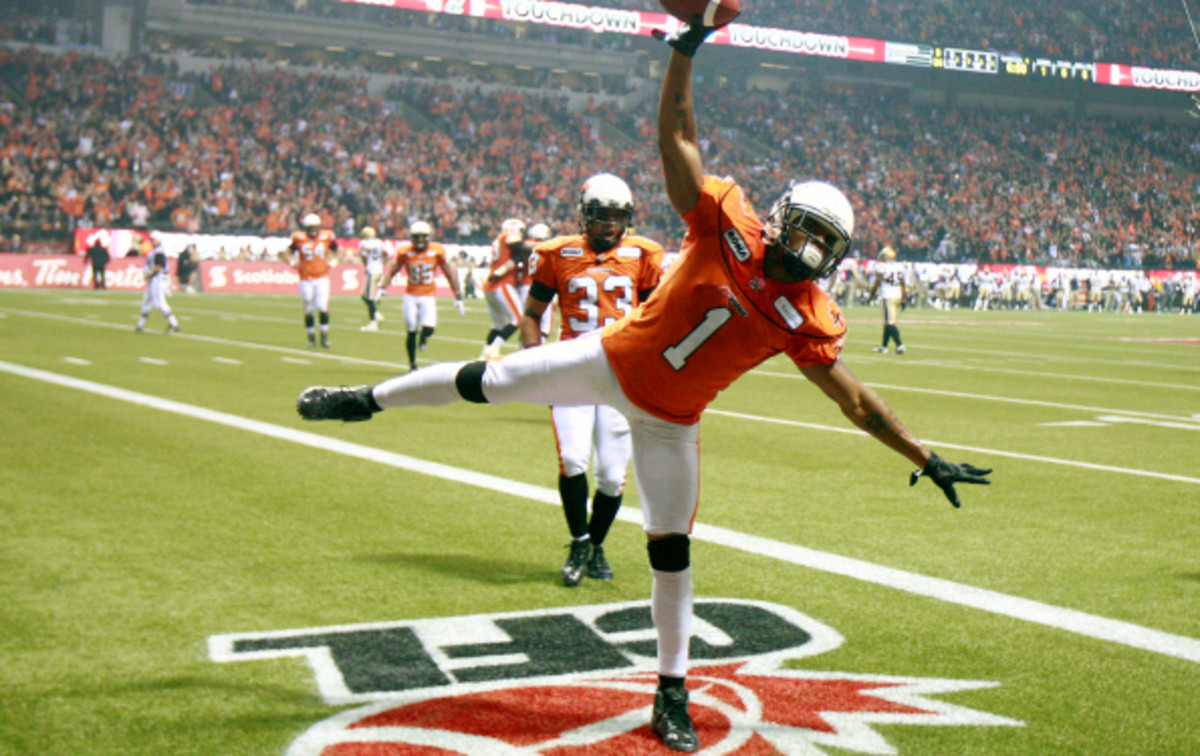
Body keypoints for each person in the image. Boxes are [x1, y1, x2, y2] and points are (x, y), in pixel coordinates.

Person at [295, 19, 991, 754]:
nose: (809, 249)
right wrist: (685, 48)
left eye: (824, 243)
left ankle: (671, 692)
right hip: (603, 358)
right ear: (782, 217)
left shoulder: (806, 315)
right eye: (805, 230)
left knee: (671, 551)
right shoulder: (727, 222)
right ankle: (365, 400)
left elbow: (856, 401)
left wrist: (921, 454)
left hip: (669, 421)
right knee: (484, 378)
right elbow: (678, 139)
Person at [520, 175, 665, 587]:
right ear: (585, 214)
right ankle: (579, 540)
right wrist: (534, 361)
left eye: (618, 217)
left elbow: (661, 318)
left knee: (610, 476)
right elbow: (532, 314)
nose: (609, 225)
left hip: (623, 375)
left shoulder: (646, 255)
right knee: (571, 460)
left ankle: (596, 543)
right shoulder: (556, 252)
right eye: (602, 216)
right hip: (572, 368)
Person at [380, 221, 465, 372]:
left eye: (422, 237)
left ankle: (424, 337)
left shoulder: (437, 251)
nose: (419, 240)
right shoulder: (405, 252)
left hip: (428, 295)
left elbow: (448, 274)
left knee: (429, 328)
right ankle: (412, 365)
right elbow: (393, 271)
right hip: (411, 295)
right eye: (416, 237)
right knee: (411, 329)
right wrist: (382, 287)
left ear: (428, 237)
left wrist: (458, 295)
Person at [283, 212, 339, 348]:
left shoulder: (326, 237)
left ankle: (324, 336)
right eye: (310, 227)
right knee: (308, 307)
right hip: (305, 277)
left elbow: (338, 250)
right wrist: (292, 262)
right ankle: (311, 337)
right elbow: (287, 252)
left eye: (315, 227)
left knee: (322, 306)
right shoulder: (299, 238)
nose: (313, 230)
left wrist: (334, 260)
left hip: (322, 277)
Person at [480, 218, 527, 359]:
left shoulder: (499, 240)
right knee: (519, 319)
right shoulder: (508, 237)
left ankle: (483, 356)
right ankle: (494, 348)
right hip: (502, 283)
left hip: (491, 285)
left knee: (498, 326)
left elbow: (515, 258)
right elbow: (521, 248)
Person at [135, 232, 181, 334]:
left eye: (154, 239)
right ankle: (140, 324)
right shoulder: (155, 251)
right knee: (147, 301)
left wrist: (148, 275)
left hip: (157, 279)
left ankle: (174, 323)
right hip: (153, 279)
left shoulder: (160, 252)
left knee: (159, 303)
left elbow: (158, 266)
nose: (152, 241)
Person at [868, 246, 907, 354]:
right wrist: (904, 298)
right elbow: (903, 283)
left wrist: (871, 294)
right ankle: (884, 346)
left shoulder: (881, 267)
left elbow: (878, 282)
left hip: (888, 296)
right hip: (898, 295)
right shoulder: (899, 266)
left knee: (890, 323)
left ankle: (900, 345)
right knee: (888, 323)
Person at [358, 226, 389, 331]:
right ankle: (376, 314)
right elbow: (387, 254)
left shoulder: (364, 243)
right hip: (378, 270)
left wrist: (366, 266)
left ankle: (373, 323)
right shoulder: (379, 242)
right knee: (364, 295)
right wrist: (382, 264)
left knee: (369, 298)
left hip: (372, 271)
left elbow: (363, 256)